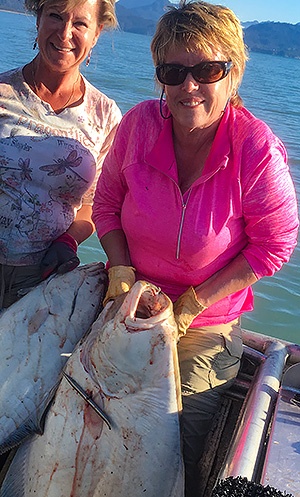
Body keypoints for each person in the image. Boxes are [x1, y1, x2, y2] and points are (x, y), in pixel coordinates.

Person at [92, 1, 299, 495]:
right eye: (174, 71)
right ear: (159, 76)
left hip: (203, 326)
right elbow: (105, 204)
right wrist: (120, 271)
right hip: (129, 303)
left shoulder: (255, 149)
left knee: (169, 430)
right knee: (87, 406)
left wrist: (193, 304)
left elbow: (274, 246)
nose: (189, 86)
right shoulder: (139, 126)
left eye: (207, 70)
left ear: (233, 72)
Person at [0, 0, 122, 309]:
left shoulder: (106, 116)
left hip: (43, 280)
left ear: (97, 33)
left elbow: (96, 204)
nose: (64, 33)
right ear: (38, 19)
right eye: (55, 15)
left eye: (80, 23)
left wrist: (68, 241)